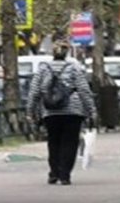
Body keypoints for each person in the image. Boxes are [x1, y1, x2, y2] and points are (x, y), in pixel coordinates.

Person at [26, 40, 97, 185]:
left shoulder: (43, 69)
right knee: (70, 142)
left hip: (50, 111)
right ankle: (65, 175)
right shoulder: (74, 68)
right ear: (66, 53)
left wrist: (30, 111)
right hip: (73, 111)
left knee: (54, 142)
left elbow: (34, 91)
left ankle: (54, 172)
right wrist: (91, 111)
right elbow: (84, 90)